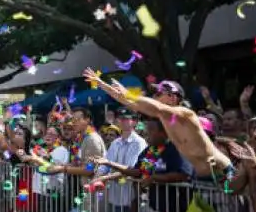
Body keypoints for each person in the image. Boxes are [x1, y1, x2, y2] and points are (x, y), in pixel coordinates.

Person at [82, 71, 233, 177]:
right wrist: (101, 84)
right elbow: (129, 102)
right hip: (199, 180)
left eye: (159, 93)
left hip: (223, 174)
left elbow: (148, 104)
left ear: (173, 98)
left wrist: (128, 93)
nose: (155, 96)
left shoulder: (186, 114)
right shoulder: (163, 118)